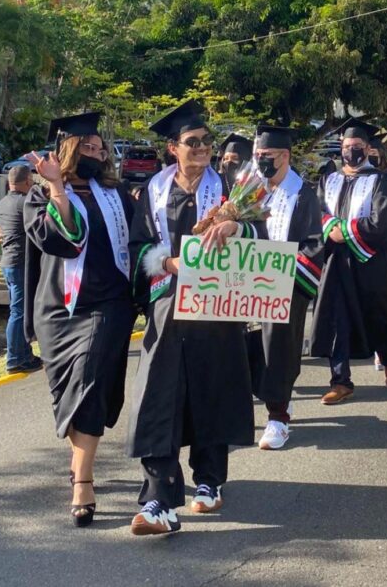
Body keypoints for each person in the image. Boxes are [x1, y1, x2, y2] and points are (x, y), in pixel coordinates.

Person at [128, 100, 265, 536]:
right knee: (159, 395)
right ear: (174, 147)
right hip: (169, 303)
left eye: (208, 141)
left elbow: (261, 235)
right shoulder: (153, 190)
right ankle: (158, 500)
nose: (203, 147)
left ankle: (209, 478)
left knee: (213, 388)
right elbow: (139, 245)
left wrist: (236, 227)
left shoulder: (230, 187)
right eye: (193, 142)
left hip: (216, 309)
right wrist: (165, 264)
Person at [24, 113, 136, 528]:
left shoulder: (116, 193)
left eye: (99, 146)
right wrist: (56, 185)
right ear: (68, 149)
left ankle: (83, 481)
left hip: (108, 304)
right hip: (58, 309)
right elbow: (62, 242)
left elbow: (140, 242)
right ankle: (79, 462)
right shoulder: (40, 196)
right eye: (86, 146)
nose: (96, 152)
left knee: (88, 384)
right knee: (68, 392)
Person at [310, 120, 387, 400]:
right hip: (337, 262)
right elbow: (317, 212)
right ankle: (340, 381)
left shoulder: (381, 181)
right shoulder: (329, 180)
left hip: (372, 260)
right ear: (341, 149)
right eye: (347, 147)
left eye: (358, 147)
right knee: (337, 317)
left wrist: (345, 232)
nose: (352, 151)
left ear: (367, 148)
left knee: (383, 315)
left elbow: (382, 221)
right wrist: (331, 229)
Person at [252, 126, 323, 449]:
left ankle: (278, 417)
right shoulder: (253, 191)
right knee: (251, 349)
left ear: (285, 156)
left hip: (286, 285)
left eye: (266, 156)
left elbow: (313, 244)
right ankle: (276, 400)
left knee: (278, 349)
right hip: (247, 284)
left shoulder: (302, 194)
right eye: (257, 156)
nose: (260, 162)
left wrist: (282, 271)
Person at [0, 165, 42, 374]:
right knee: (19, 311)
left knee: (19, 310)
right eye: (31, 181)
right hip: (19, 262)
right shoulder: (25, 203)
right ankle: (15, 358)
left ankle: (24, 353)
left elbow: (0, 230)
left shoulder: (3, 203)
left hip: (8, 262)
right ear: (27, 182)